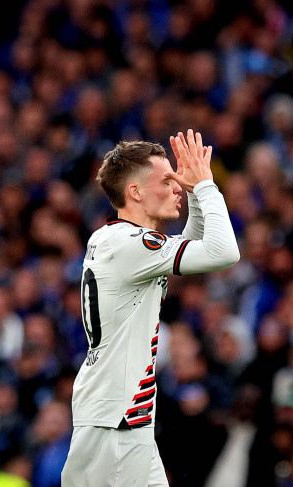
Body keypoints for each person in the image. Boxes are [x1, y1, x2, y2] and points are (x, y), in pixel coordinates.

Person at [61, 130, 240, 486]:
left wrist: (193, 193)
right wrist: (205, 186)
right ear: (135, 192)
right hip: (116, 423)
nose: (176, 186)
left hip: (123, 418)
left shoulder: (117, 239)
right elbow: (224, 252)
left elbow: (189, 245)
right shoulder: (130, 244)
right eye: (167, 180)